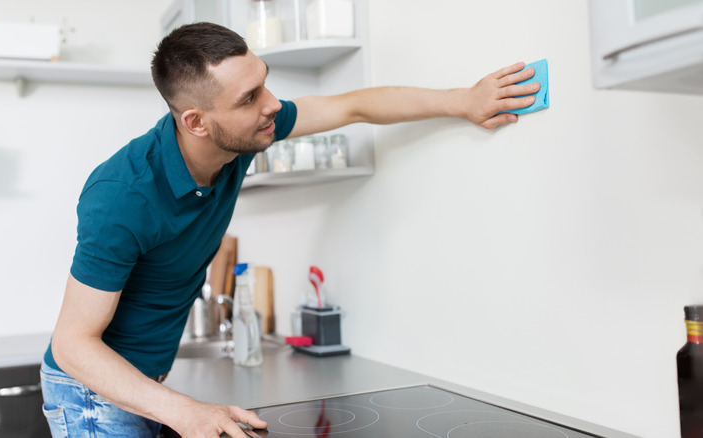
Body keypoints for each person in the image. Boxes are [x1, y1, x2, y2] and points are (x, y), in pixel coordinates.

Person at [40, 22, 540, 438]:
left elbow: (354, 106)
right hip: (90, 395)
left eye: (266, 81)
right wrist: (183, 410)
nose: (273, 104)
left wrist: (466, 100)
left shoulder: (240, 135)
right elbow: (73, 344)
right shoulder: (121, 196)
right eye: (250, 96)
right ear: (196, 121)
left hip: (145, 383)